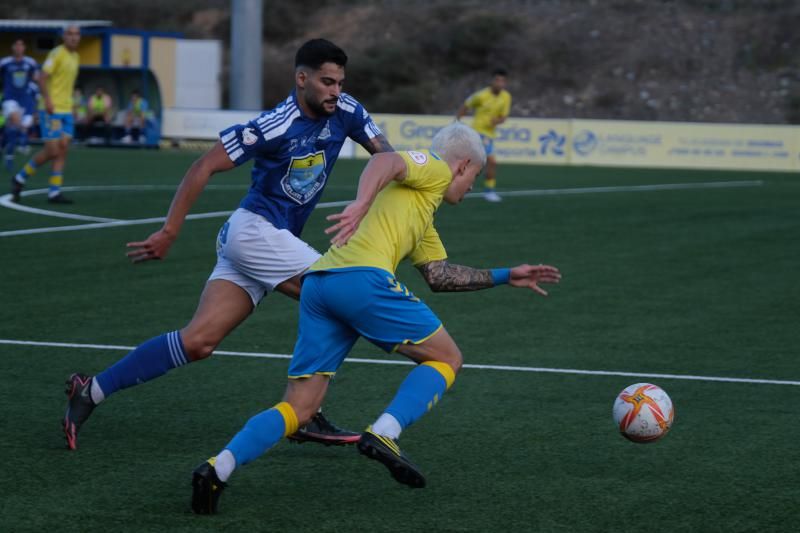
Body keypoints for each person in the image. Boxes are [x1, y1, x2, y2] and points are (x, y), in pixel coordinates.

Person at [190, 122, 561, 514]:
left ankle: (218, 468)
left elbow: (440, 275)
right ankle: (385, 432)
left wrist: (506, 276)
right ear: (463, 165)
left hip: (320, 285)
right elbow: (385, 160)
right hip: (361, 281)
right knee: (447, 358)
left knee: (300, 408)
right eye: (472, 178)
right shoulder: (436, 168)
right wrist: (361, 202)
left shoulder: (421, 211)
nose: (470, 188)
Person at [62, 38, 395, 451]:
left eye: (340, 82)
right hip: (254, 233)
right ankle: (305, 413)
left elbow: (386, 156)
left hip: (266, 241)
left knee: (198, 341)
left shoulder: (347, 111)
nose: (336, 91)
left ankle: (90, 390)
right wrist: (169, 230)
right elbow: (203, 166)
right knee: (337, 297)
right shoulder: (273, 125)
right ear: (302, 78)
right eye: (327, 82)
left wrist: (374, 198)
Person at [10, 25, 81, 204]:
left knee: (63, 149)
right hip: (52, 110)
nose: (74, 37)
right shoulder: (57, 54)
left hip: (66, 110)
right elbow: (42, 77)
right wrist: (48, 100)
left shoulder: (76, 57)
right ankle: (20, 177)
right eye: (70, 34)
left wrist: (72, 104)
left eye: (77, 34)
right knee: (52, 150)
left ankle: (54, 192)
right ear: (64, 36)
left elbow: (68, 84)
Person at [456, 68, 511, 202]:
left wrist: (496, 121)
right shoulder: (481, 95)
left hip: (489, 135)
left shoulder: (506, 97)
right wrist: (457, 121)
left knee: (473, 163)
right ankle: (488, 191)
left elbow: (503, 117)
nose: (500, 83)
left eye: (502, 81)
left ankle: (459, 186)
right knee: (491, 162)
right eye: (497, 80)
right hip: (477, 133)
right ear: (492, 81)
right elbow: (467, 104)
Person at [0, 39, 38, 172]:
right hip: (10, 98)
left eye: (21, 45)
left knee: (14, 129)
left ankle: (6, 150)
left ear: (24, 47)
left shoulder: (30, 63)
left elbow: (36, 78)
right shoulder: (5, 63)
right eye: (16, 45)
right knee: (16, 123)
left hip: (25, 100)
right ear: (12, 48)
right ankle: (21, 143)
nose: (19, 47)